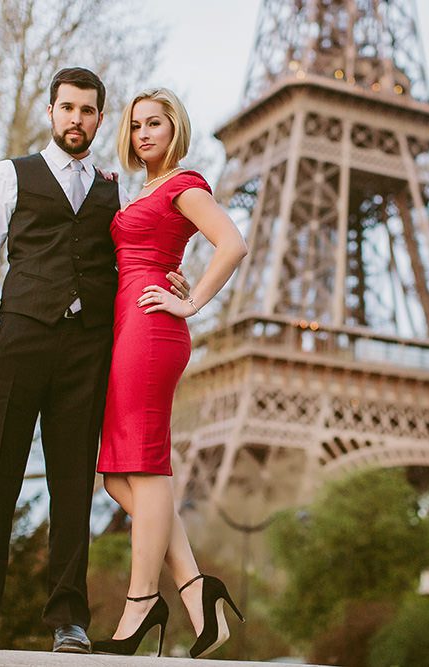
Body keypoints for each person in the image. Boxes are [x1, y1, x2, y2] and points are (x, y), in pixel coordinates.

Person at [0, 68, 189, 654]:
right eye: (67, 108)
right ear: (51, 112)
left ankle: (69, 619)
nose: (77, 119)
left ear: (99, 117)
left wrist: (175, 276)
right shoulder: (11, 174)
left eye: (88, 110)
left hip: (86, 348)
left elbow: (139, 249)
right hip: (15, 340)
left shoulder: (115, 188)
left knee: (73, 487)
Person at [91, 87, 248, 658]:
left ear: (175, 127)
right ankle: (196, 590)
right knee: (115, 475)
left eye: (155, 123)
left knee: (146, 465)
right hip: (128, 328)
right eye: (136, 126)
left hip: (152, 330)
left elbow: (232, 243)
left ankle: (138, 604)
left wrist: (192, 300)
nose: (144, 135)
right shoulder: (147, 190)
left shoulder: (184, 185)